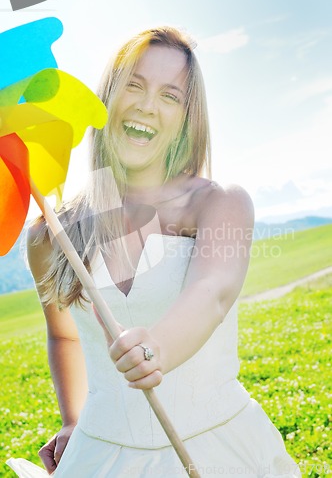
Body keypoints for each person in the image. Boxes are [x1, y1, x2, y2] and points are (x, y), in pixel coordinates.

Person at [7, 26, 301, 477]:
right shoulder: (53, 235)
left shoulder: (218, 203)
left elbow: (213, 289)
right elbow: (65, 334)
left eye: (170, 96)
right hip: (99, 451)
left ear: (188, 117)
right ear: (106, 95)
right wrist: (71, 420)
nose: (146, 105)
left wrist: (157, 347)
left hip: (214, 442)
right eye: (134, 85)